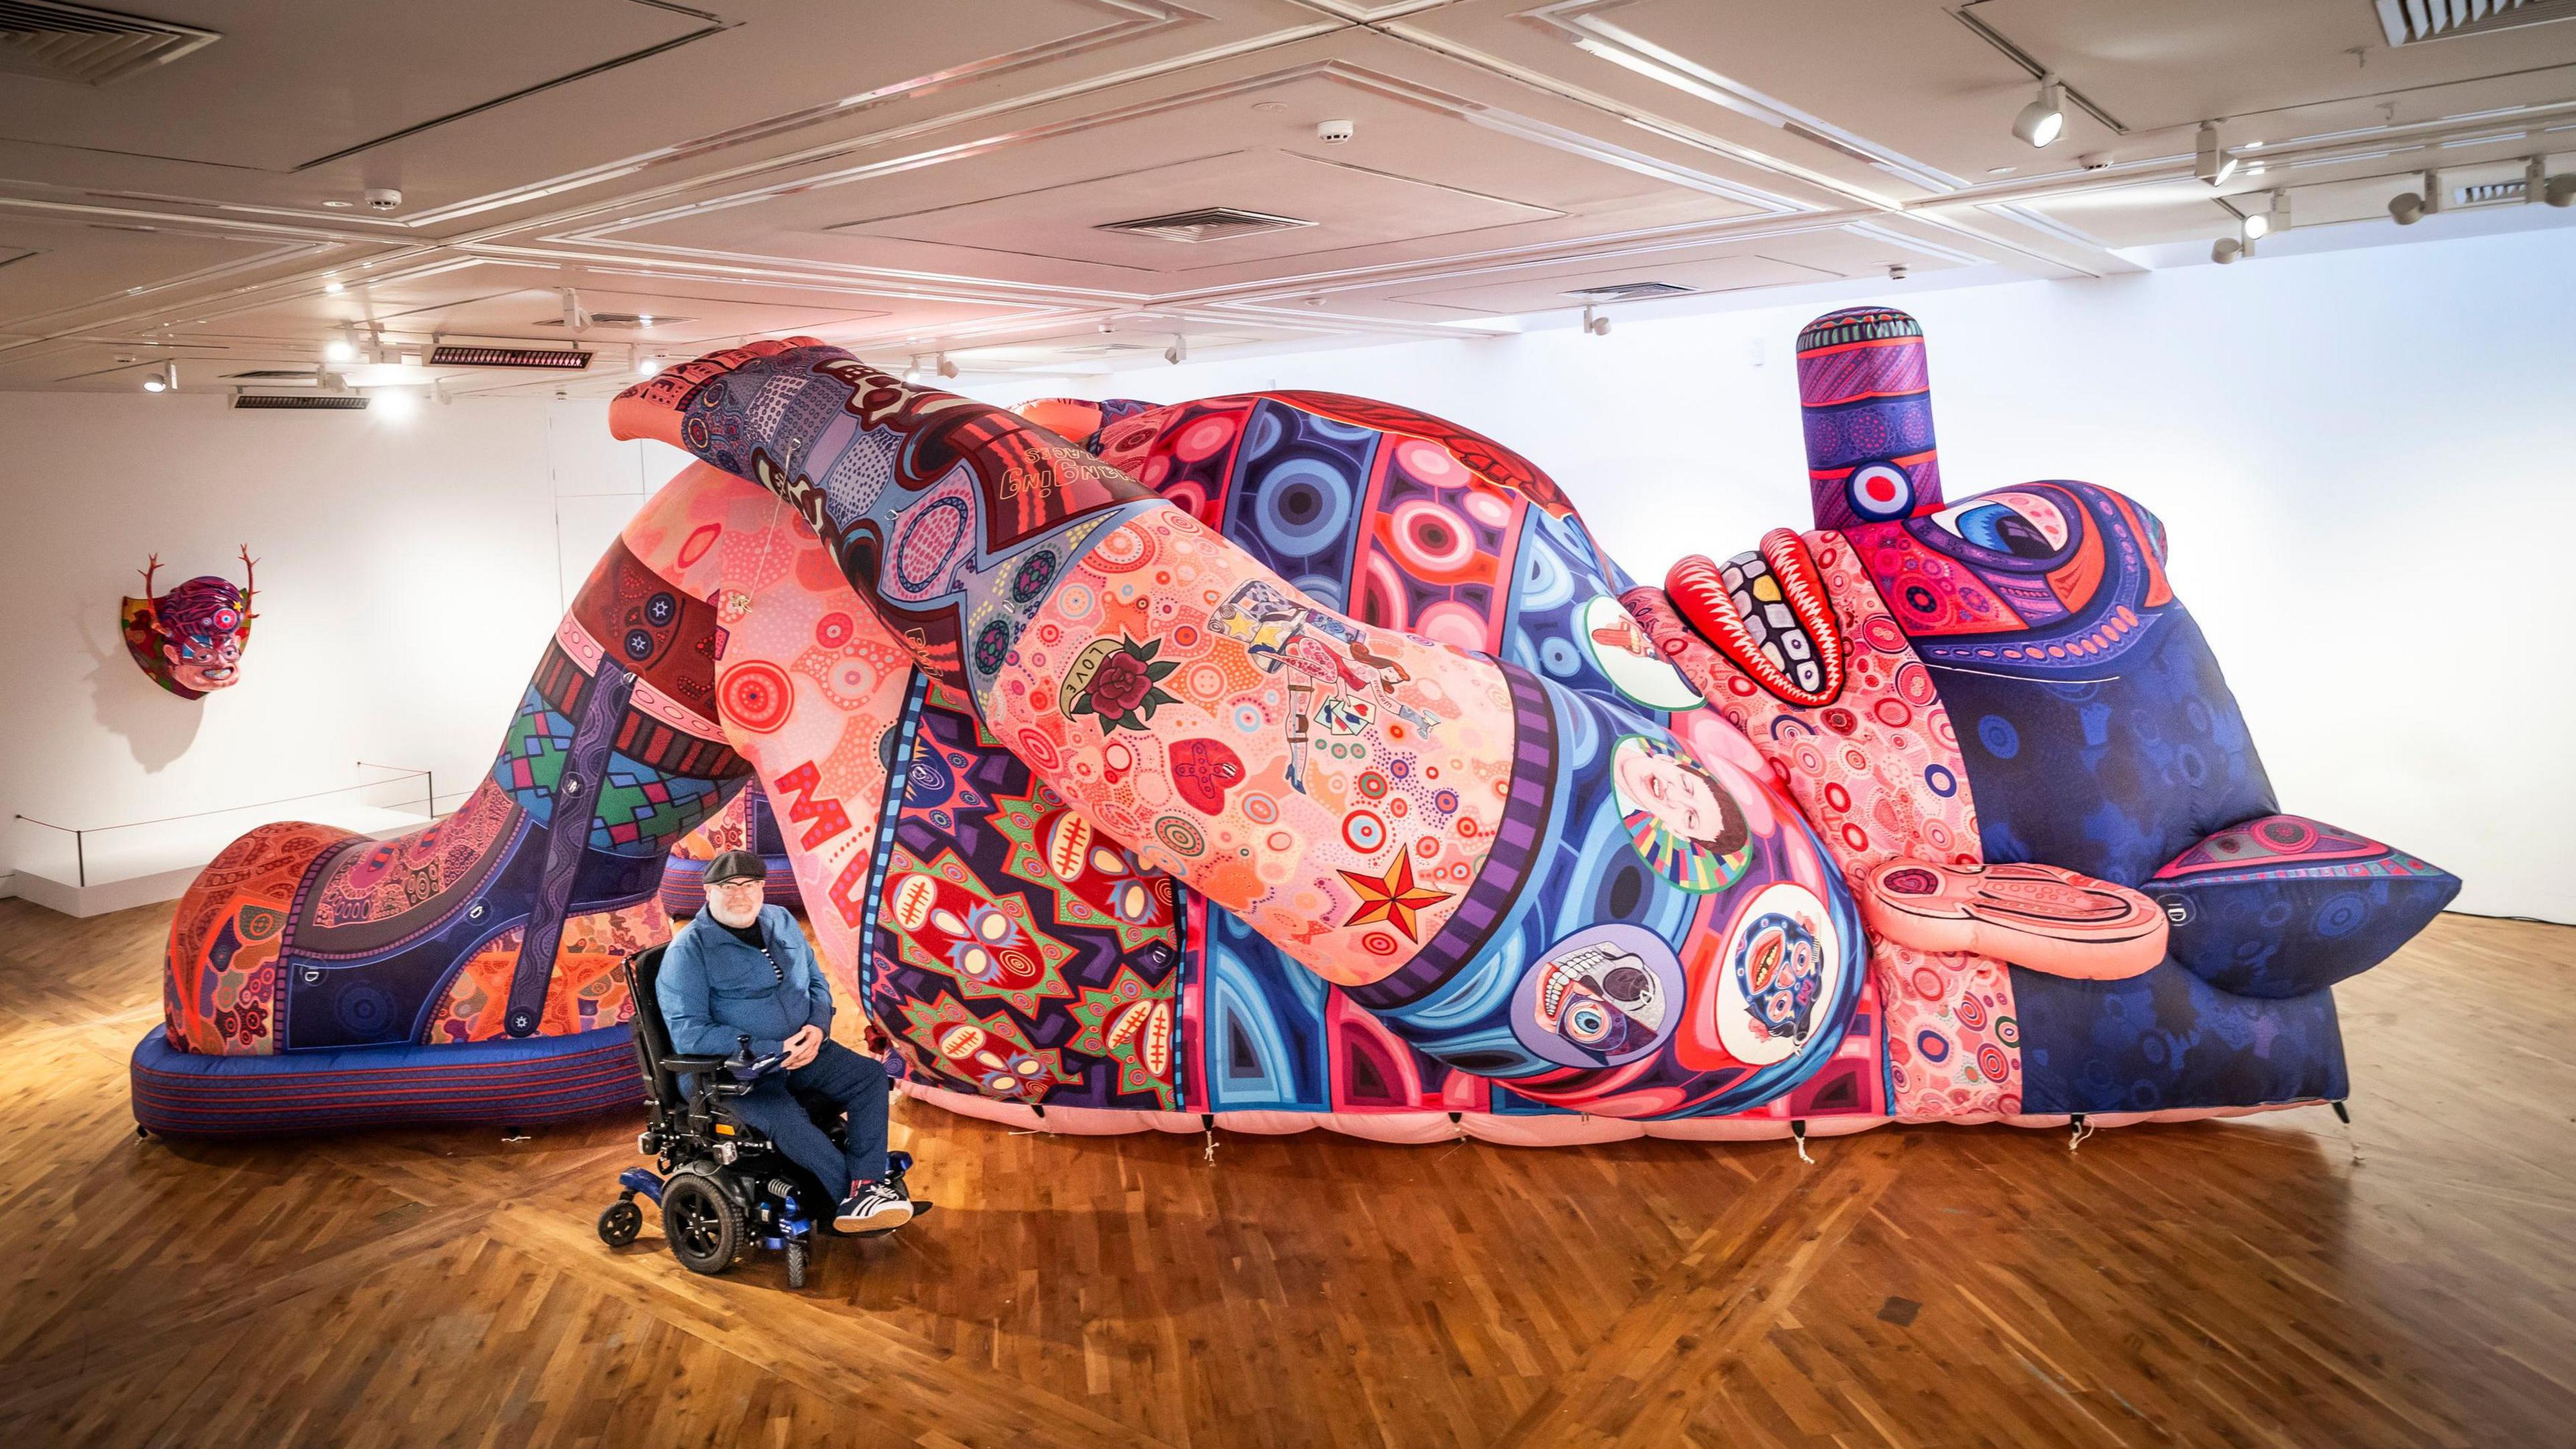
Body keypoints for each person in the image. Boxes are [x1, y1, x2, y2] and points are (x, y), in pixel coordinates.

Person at [654, 849, 912, 1232]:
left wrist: (818, 1027)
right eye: (729, 887)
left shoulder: (781, 920)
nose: (742, 894)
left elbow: (816, 984)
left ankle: (867, 1185)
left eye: (751, 885)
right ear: (707, 891)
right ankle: (852, 1197)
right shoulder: (689, 951)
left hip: (805, 1050)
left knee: (869, 1078)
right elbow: (689, 1032)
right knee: (790, 1120)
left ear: (762, 888)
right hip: (733, 1075)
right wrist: (771, 1049)